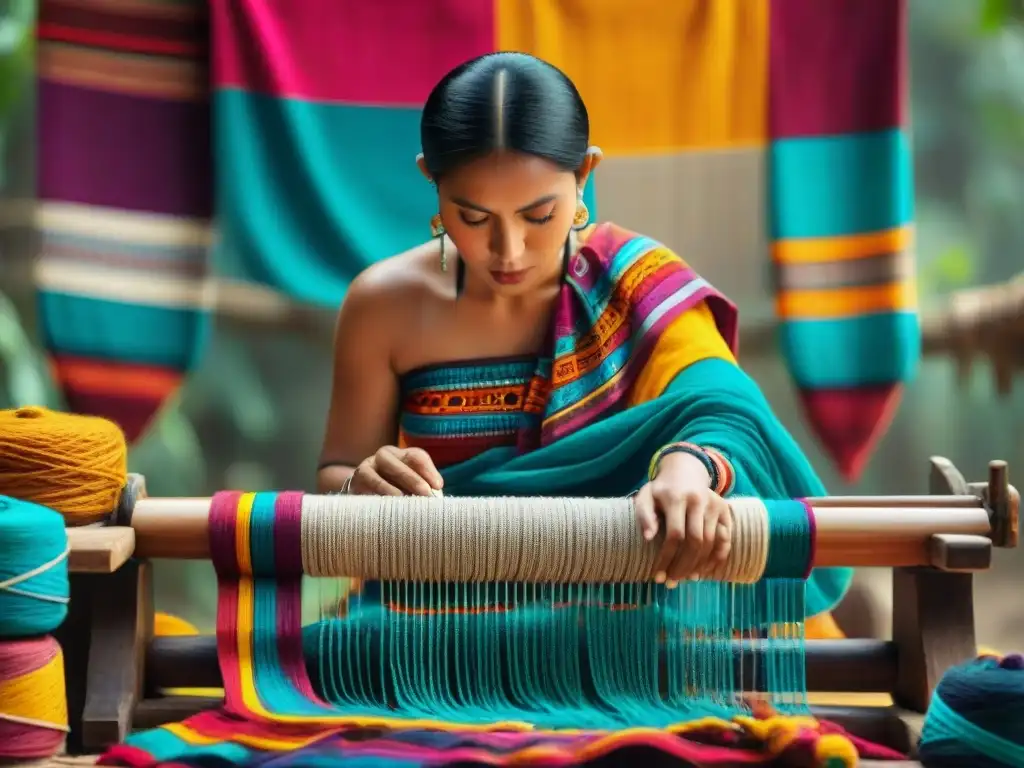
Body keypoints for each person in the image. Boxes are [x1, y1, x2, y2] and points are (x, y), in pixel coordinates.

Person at [317, 52, 850, 637]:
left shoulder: (634, 284)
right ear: (431, 181)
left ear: (585, 174)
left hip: (633, 635)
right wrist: (359, 486)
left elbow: (723, 409)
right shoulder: (382, 306)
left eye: (539, 215)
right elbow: (338, 476)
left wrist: (687, 469)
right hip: (433, 636)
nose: (509, 249)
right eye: (473, 218)